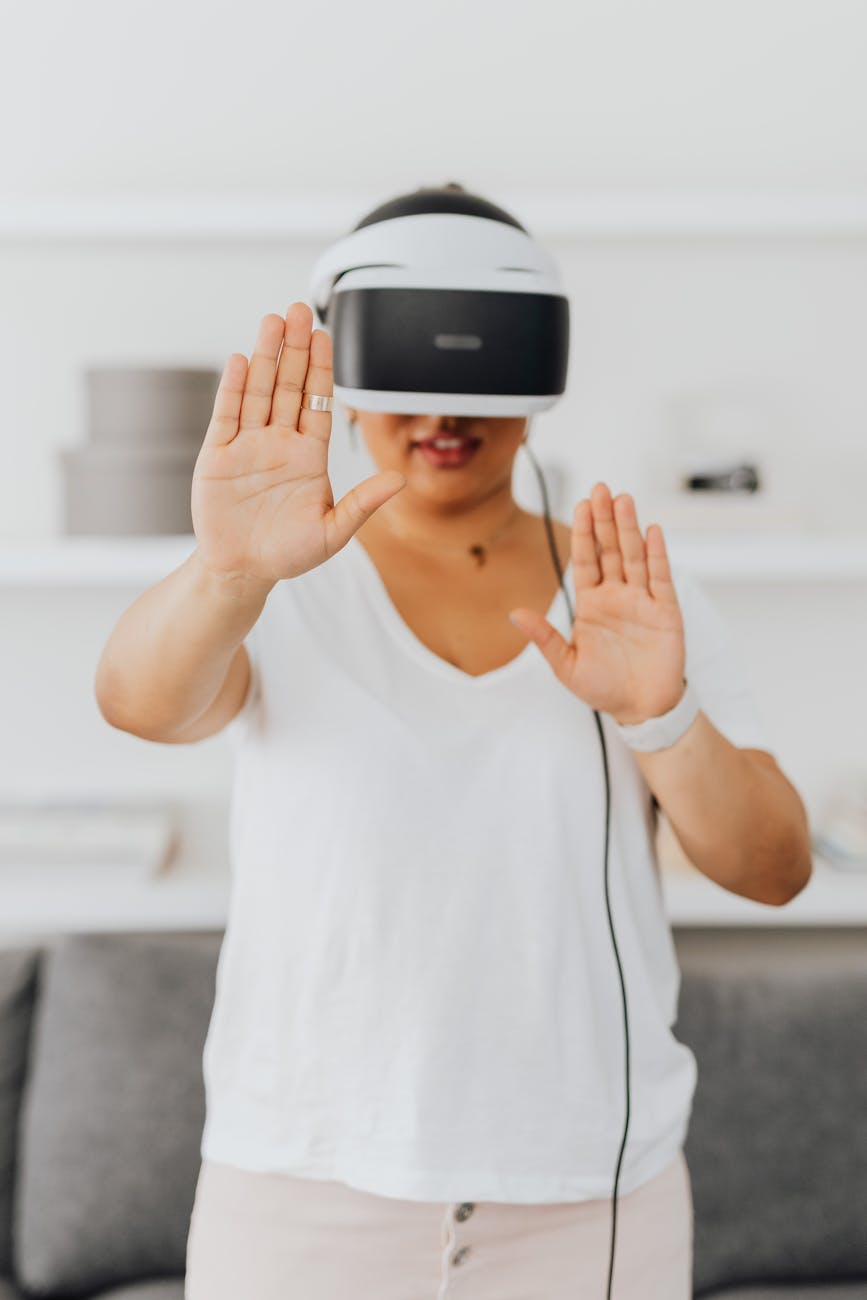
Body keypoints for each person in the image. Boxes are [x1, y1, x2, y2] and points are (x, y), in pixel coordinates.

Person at [95, 217, 812, 1300]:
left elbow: (774, 866)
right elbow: (140, 703)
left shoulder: (632, 595)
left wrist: (658, 715)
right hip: (302, 1184)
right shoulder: (283, 582)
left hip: (585, 1190)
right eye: (410, 365)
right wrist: (230, 570)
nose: (442, 414)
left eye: (475, 370)